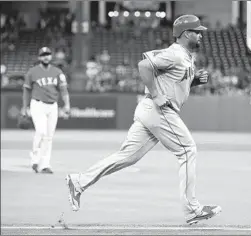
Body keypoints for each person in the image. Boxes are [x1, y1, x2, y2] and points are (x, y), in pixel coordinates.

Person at [66, 15, 221, 225]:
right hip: (159, 110)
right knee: (187, 150)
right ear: (185, 34)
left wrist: (193, 81)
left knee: (127, 157)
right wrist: (157, 95)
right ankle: (192, 210)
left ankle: (78, 182)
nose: (200, 34)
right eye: (196, 31)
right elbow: (143, 66)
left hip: (152, 111)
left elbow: (172, 83)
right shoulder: (174, 53)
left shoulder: (186, 57)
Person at [22, 47, 70, 174]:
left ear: (51, 56)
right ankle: (35, 158)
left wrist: (67, 105)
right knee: (41, 131)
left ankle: (44, 164)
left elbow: (64, 90)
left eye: (48, 54)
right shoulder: (32, 72)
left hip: (52, 106)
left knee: (49, 136)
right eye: (43, 55)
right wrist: (24, 107)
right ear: (39, 57)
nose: (46, 57)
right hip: (38, 104)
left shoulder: (57, 72)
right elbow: (26, 90)